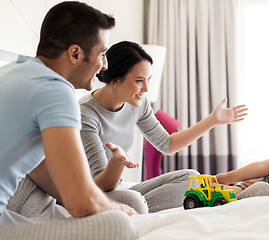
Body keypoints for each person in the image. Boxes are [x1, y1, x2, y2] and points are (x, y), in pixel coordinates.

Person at [0, 2, 138, 240]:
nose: (105, 65)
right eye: (102, 54)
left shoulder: (14, 72)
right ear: (75, 53)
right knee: (118, 225)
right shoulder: (55, 91)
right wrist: (119, 209)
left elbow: (42, 171)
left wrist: (100, 201)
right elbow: (81, 204)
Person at [78, 41, 249, 213]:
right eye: (139, 81)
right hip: (90, 193)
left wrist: (212, 120)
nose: (146, 88)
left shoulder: (138, 104)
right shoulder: (85, 114)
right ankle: (135, 208)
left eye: (148, 80)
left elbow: (167, 144)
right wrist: (117, 163)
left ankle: (135, 208)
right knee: (134, 200)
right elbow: (100, 185)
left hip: (117, 191)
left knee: (191, 177)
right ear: (115, 80)